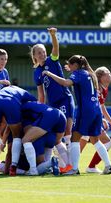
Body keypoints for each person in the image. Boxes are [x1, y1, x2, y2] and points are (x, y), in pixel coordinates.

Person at [43, 55, 111, 175]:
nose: (69, 67)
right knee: (95, 140)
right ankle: (108, 165)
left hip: (85, 110)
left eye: (70, 65)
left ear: (76, 65)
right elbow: (77, 74)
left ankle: (74, 169)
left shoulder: (79, 74)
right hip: (96, 109)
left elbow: (66, 83)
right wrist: (71, 69)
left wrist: (49, 74)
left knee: (75, 138)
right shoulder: (90, 74)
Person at [30, 28, 75, 170]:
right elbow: (41, 95)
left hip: (64, 99)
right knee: (56, 137)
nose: (42, 54)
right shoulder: (37, 73)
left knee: (68, 133)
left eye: (43, 51)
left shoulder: (52, 60)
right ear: (34, 56)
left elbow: (56, 48)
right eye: (39, 53)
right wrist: (40, 109)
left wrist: (53, 35)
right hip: (53, 104)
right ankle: (63, 165)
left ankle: (72, 166)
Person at [0, 85, 37, 176]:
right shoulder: (23, 91)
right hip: (11, 101)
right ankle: (13, 168)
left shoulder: (4, 90)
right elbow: (36, 102)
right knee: (16, 137)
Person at [80, 66, 111, 173]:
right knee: (108, 143)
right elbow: (94, 105)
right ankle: (92, 166)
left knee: (80, 145)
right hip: (89, 117)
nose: (110, 74)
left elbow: (101, 106)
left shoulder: (104, 89)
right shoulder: (97, 88)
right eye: (107, 72)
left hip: (90, 117)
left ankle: (66, 164)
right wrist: (102, 119)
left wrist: (109, 120)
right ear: (101, 77)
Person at [21, 101, 67, 175]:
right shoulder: (33, 107)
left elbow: (28, 132)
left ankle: (40, 167)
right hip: (52, 133)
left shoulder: (23, 114)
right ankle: (70, 166)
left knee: (25, 140)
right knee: (58, 142)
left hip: (40, 140)